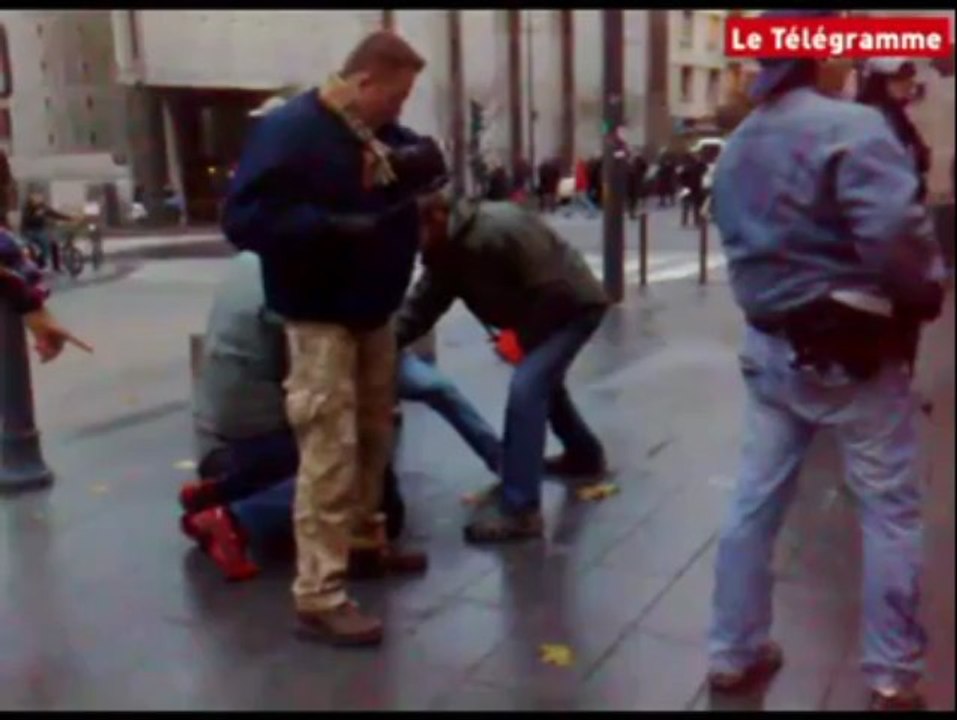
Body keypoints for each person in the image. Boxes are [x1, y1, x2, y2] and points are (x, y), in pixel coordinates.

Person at [707, 10, 945, 712]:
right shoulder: (852, 128)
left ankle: (732, 651)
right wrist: (923, 294)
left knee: (754, 503)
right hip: (852, 356)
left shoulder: (739, 144)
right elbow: (896, 238)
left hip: (768, 348)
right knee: (889, 511)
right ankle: (891, 674)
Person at [222, 30, 451, 646]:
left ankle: (361, 544)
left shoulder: (373, 131)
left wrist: (422, 163)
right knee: (329, 448)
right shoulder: (292, 130)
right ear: (364, 81)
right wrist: (326, 227)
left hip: (372, 310)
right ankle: (319, 596)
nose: (399, 109)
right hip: (319, 313)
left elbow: (404, 169)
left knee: (374, 435)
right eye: (396, 96)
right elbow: (241, 219)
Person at [181, 252, 502, 582]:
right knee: (370, 487)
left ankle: (228, 488)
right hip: (264, 427)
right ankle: (236, 519)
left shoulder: (250, 260)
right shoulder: (301, 281)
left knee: (362, 466)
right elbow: (326, 374)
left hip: (222, 428)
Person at [396, 191, 609, 544]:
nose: (409, 244)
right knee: (544, 384)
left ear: (436, 218)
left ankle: (522, 510)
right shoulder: (444, 253)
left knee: (527, 388)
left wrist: (521, 339)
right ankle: (584, 455)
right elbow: (421, 309)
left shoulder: (498, 226)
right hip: (541, 312)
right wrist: (381, 346)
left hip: (574, 306)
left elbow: (556, 290)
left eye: (411, 232)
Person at [0, 228, 91, 362]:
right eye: (43, 349)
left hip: (14, 257)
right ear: (48, 342)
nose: (36, 348)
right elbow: (12, 278)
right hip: (12, 258)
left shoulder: (35, 300)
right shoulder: (43, 320)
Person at [857, 58, 931, 204]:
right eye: (899, 79)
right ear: (879, 82)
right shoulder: (870, 117)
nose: (908, 83)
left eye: (908, 78)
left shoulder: (896, 112)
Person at [19, 189, 74, 272]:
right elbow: (26, 220)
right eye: (35, 197)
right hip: (29, 231)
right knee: (42, 242)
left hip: (40, 230)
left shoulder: (43, 207)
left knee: (53, 243)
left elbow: (55, 214)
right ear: (31, 198)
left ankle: (55, 266)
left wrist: (70, 218)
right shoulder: (27, 208)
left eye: (39, 197)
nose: (38, 199)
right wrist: (36, 215)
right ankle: (43, 263)